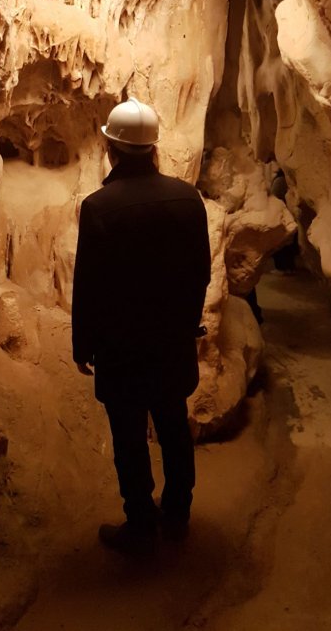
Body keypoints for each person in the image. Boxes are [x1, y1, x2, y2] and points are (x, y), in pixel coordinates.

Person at [72, 97, 211, 554]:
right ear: (154, 149)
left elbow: (89, 285)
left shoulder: (99, 207)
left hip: (122, 348)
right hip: (171, 343)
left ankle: (140, 524)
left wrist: (83, 343)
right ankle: (178, 515)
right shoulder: (187, 199)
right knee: (173, 426)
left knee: (129, 437)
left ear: (111, 149)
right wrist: (186, 323)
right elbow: (201, 272)